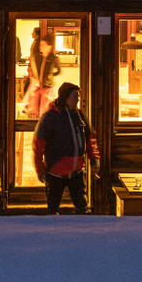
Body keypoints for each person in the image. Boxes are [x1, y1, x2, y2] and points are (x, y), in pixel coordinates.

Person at [32, 82, 98, 214]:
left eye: (78, 96)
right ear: (65, 97)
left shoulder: (80, 115)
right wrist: (40, 169)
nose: (78, 99)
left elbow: (90, 138)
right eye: (75, 96)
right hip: (55, 172)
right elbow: (38, 145)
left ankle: (81, 230)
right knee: (53, 207)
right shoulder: (50, 117)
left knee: (82, 207)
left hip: (76, 172)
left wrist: (94, 159)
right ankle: (52, 231)